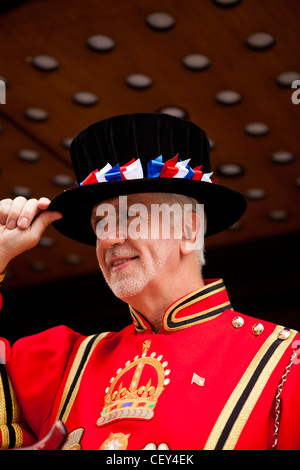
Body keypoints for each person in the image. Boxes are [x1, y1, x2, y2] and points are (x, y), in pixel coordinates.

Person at [0, 113, 299, 451]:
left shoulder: (287, 366)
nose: (109, 237)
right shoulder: (62, 367)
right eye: (100, 222)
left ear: (188, 231)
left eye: (131, 216)